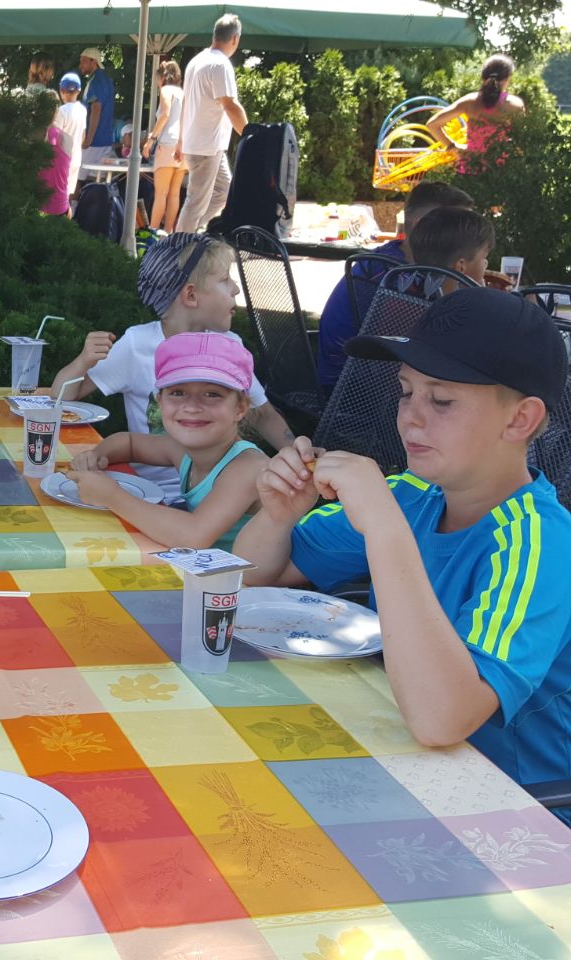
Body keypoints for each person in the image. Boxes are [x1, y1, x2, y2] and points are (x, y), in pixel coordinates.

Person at [234, 288, 571, 788]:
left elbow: (443, 720)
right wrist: (280, 515)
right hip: (396, 751)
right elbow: (252, 578)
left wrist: (384, 530)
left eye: (442, 400)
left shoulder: (539, 543)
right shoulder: (414, 494)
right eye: (406, 391)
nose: (410, 415)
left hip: (511, 798)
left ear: (519, 419)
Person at [50, 232, 295, 453]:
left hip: (215, 482)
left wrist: (301, 458)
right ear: (191, 295)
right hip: (151, 484)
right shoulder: (138, 344)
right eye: (224, 279)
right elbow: (62, 397)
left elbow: (263, 415)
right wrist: (83, 361)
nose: (236, 289)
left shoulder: (229, 346)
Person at [66, 332, 266, 551]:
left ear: (240, 408)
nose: (192, 407)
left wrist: (111, 496)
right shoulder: (183, 450)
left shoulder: (248, 467)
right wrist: (96, 456)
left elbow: (193, 536)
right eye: (178, 393)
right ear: (160, 401)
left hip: (246, 572)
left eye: (212, 394)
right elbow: (129, 442)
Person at [315, 181, 475, 391]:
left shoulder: (393, 260)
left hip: (361, 376)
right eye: (457, 227)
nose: (468, 241)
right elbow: (420, 348)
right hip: (352, 391)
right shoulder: (396, 277)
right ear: (420, 226)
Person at [174, 15, 247, 233]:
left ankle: (192, 233)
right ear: (235, 39)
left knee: (224, 191)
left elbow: (186, 104)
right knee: (196, 202)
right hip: (206, 146)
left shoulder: (196, 61)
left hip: (205, 145)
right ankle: (179, 245)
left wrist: (180, 140)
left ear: (215, 35)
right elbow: (230, 105)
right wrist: (250, 135)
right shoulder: (220, 65)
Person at [427, 54, 525, 173]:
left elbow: (432, 125)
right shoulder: (515, 105)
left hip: (470, 168)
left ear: (483, 77)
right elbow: (523, 140)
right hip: (502, 171)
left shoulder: (469, 102)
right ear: (507, 78)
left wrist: (453, 147)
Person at [144, 59, 186, 233]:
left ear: (162, 77)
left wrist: (151, 139)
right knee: (175, 193)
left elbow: (165, 115)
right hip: (183, 145)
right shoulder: (183, 93)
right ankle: (169, 232)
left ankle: (153, 232)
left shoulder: (166, 91)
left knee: (161, 193)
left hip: (167, 144)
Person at [406, 205, 495, 287]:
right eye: (484, 259)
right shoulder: (480, 299)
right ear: (461, 267)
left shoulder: (405, 293)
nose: (485, 265)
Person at [78, 48, 116, 182]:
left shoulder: (96, 81)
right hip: (105, 139)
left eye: (83, 62)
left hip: (94, 142)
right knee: (96, 180)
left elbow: (96, 109)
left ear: (93, 62)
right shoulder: (107, 80)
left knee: (76, 179)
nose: (80, 65)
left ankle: (76, 198)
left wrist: (88, 138)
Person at [53, 72, 87, 196]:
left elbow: (55, 135)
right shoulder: (82, 110)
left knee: (58, 193)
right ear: (79, 91)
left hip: (62, 158)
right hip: (76, 157)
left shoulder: (61, 111)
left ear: (61, 91)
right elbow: (83, 136)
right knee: (67, 193)